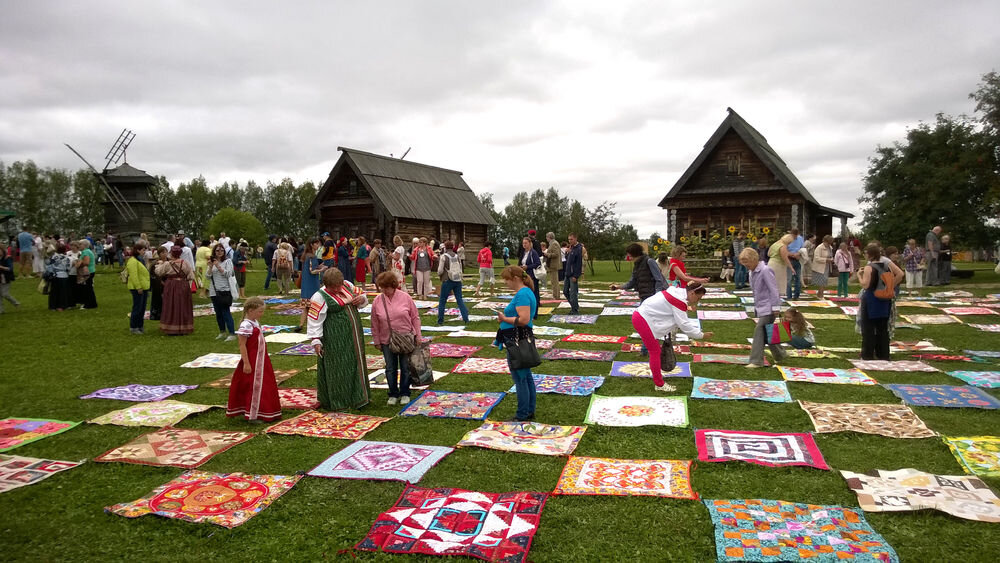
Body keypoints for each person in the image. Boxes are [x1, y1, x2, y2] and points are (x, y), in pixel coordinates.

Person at [307, 269, 371, 411]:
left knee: (355, 362)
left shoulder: (347, 285)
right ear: (326, 284)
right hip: (335, 338)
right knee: (338, 366)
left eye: (338, 286)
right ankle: (339, 401)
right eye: (333, 287)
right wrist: (316, 340)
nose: (337, 289)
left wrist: (362, 299)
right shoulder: (319, 297)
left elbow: (363, 297)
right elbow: (314, 319)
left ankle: (358, 397)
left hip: (354, 336)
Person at [631, 281, 711, 390]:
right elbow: (684, 324)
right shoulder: (678, 301)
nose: (697, 301)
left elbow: (672, 308)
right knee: (655, 352)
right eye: (698, 298)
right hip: (643, 320)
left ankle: (658, 381)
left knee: (655, 351)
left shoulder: (676, 293)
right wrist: (701, 335)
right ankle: (659, 384)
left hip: (641, 316)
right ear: (692, 293)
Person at [227, 297, 282, 423]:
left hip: (261, 359)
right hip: (253, 360)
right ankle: (253, 414)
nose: (261, 314)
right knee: (254, 386)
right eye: (260, 311)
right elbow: (242, 345)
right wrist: (246, 363)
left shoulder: (255, 322)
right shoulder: (246, 325)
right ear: (250, 311)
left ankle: (264, 409)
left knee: (264, 384)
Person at [370, 272, 422, 405]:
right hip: (386, 339)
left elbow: (415, 317)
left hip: (405, 338)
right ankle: (393, 393)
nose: (384, 290)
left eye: (386, 287)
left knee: (405, 367)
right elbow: (374, 322)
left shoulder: (405, 297)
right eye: (382, 288)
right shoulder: (377, 300)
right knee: (390, 368)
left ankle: (405, 392)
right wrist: (376, 340)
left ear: (393, 286)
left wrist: (418, 336)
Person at [496, 266, 539, 422]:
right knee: (525, 377)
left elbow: (523, 319)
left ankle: (523, 414)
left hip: (517, 341)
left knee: (520, 378)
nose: (506, 283)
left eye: (507, 280)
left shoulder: (522, 295)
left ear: (515, 278)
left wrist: (503, 319)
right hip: (519, 339)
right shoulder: (526, 292)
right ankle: (529, 410)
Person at [739, 247, 786, 368]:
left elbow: (773, 289)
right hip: (761, 307)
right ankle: (780, 354)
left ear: (754, 259)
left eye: (747, 262)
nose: (745, 265)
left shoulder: (765, 270)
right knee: (767, 331)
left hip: (769, 306)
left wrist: (776, 307)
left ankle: (756, 361)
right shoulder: (751, 272)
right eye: (743, 263)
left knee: (759, 331)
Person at [858, 244, 904, 360]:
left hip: (871, 299)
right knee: (882, 328)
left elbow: (865, 284)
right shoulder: (886, 265)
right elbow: (899, 274)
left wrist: (859, 275)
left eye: (865, 253)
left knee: (868, 327)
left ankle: (868, 354)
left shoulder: (869, 267)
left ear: (870, 255)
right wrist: (890, 287)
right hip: (884, 299)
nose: (864, 255)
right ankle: (883, 354)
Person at [155, 245, 195, 335]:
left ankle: (171, 327)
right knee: (183, 305)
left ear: (171, 253)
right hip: (183, 285)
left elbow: (158, 272)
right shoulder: (186, 263)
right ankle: (184, 326)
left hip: (171, 285)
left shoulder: (167, 264)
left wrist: (160, 264)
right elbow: (191, 276)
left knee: (171, 305)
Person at [207, 243, 238, 341]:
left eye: (221, 250)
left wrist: (218, 266)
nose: (220, 252)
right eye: (217, 250)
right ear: (214, 252)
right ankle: (222, 331)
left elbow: (228, 274)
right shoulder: (212, 262)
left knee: (225, 312)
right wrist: (211, 267)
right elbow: (207, 277)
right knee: (218, 313)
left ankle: (232, 333)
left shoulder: (227, 261)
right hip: (214, 291)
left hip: (224, 290)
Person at [436, 240, 471, 325]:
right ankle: (466, 318)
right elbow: (460, 268)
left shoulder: (444, 256)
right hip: (457, 280)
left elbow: (440, 270)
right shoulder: (457, 256)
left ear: (445, 247)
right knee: (459, 300)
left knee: (442, 300)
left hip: (447, 280)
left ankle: (440, 320)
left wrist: (439, 274)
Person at [299, 238, 326, 332]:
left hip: (306, 283)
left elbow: (310, 268)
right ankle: (312, 324)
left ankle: (301, 324)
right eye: (317, 244)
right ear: (312, 245)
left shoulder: (306, 255)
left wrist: (318, 267)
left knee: (306, 306)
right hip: (312, 283)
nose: (318, 246)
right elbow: (312, 271)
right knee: (313, 305)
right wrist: (322, 269)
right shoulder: (312, 256)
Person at [126, 241, 150, 334]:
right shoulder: (132, 261)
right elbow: (134, 275)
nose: (144, 252)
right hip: (137, 288)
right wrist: (138, 287)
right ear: (138, 250)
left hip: (144, 287)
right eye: (143, 250)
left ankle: (140, 325)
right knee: (137, 307)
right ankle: (133, 327)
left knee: (142, 308)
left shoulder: (140, 259)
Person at [519, 236, 542, 315]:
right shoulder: (523, 253)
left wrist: (527, 267)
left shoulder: (533, 252)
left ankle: (534, 313)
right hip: (524, 276)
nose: (524, 245)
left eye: (526, 243)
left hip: (532, 276)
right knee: (526, 294)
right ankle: (526, 311)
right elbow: (520, 262)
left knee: (534, 294)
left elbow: (538, 263)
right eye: (523, 243)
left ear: (530, 243)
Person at [766, 234, 794, 298]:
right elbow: (785, 258)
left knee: (771, 281)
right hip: (778, 266)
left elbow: (768, 253)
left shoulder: (775, 244)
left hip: (771, 263)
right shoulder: (783, 246)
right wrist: (791, 267)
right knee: (778, 283)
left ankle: (771, 296)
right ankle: (776, 297)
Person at [47, 243, 72, 311]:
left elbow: (49, 266)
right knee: (63, 292)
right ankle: (62, 305)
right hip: (64, 276)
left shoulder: (53, 257)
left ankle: (53, 306)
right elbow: (68, 267)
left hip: (55, 275)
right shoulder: (67, 258)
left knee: (54, 292)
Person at [75, 239, 98, 309]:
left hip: (88, 272)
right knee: (89, 288)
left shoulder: (85, 252)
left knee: (87, 289)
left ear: (84, 245)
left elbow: (86, 262)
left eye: (80, 244)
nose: (79, 246)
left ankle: (89, 304)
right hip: (90, 271)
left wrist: (78, 263)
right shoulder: (87, 251)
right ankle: (93, 303)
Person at [564, 233, 584, 313]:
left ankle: (574, 309)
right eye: (569, 239)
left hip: (573, 274)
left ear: (575, 239)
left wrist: (576, 276)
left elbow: (578, 263)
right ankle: (575, 306)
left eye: (571, 239)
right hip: (567, 273)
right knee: (565, 291)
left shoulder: (579, 248)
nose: (570, 241)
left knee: (573, 293)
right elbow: (568, 259)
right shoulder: (571, 247)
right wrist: (567, 253)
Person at [149, 246, 167, 320]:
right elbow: (154, 275)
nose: (165, 254)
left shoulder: (169, 262)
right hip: (158, 285)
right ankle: (156, 314)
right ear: (159, 254)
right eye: (163, 252)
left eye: (166, 252)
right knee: (157, 299)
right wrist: (161, 282)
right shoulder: (155, 263)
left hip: (167, 283)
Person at [0, 244, 20, 313]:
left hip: (5, 278)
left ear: (2, 250)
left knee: (4, 294)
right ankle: (1, 310)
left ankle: (15, 302)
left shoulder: (7, 258)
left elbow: (10, 269)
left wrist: (1, 267)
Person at [786, 229, 805, 299]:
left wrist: (799, 254)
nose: (795, 237)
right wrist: (792, 254)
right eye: (794, 236)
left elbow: (803, 248)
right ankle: (789, 296)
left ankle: (796, 295)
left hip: (798, 259)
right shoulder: (787, 239)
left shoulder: (800, 238)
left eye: (796, 236)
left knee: (798, 278)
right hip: (789, 259)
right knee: (789, 279)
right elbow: (784, 249)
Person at [543, 232, 562, 298]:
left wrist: (547, 254)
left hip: (553, 265)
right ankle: (556, 295)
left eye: (547, 237)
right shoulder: (552, 243)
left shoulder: (554, 244)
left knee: (554, 281)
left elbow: (556, 254)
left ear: (549, 237)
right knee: (554, 281)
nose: (546, 238)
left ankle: (556, 295)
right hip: (552, 264)